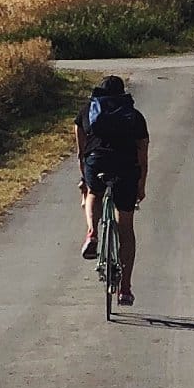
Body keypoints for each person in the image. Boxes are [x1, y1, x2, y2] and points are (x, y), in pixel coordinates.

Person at [75, 75, 149, 307]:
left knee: (94, 193)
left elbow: (80, 151)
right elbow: (143, 156)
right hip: (126, 168)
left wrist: (84, 179)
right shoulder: (135, 117)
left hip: (96, 162)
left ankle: (92, 234)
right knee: (125, 226)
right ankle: (125, 289)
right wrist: (141, 184)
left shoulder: (87, 111)